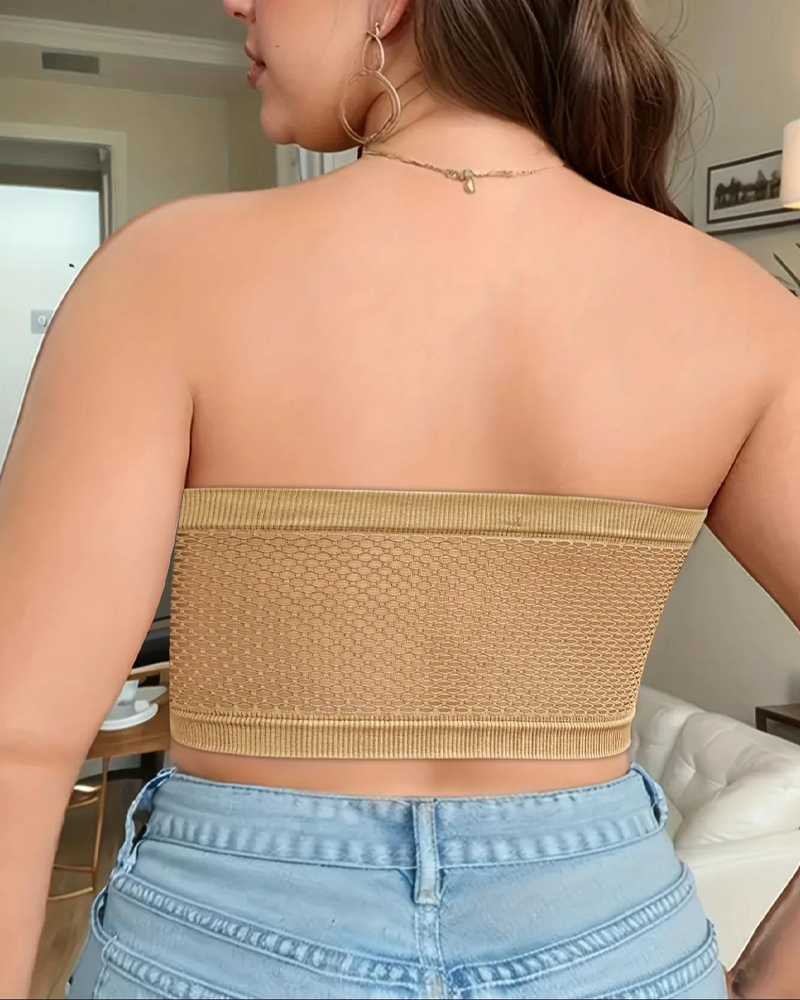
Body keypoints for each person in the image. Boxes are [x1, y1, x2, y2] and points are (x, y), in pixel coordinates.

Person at [0, 1, 798, 997]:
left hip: (223, 942)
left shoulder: (165, 273)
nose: (237, 2)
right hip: (613, 949)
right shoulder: (742, 314)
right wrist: (767, 978)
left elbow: (16, 737)